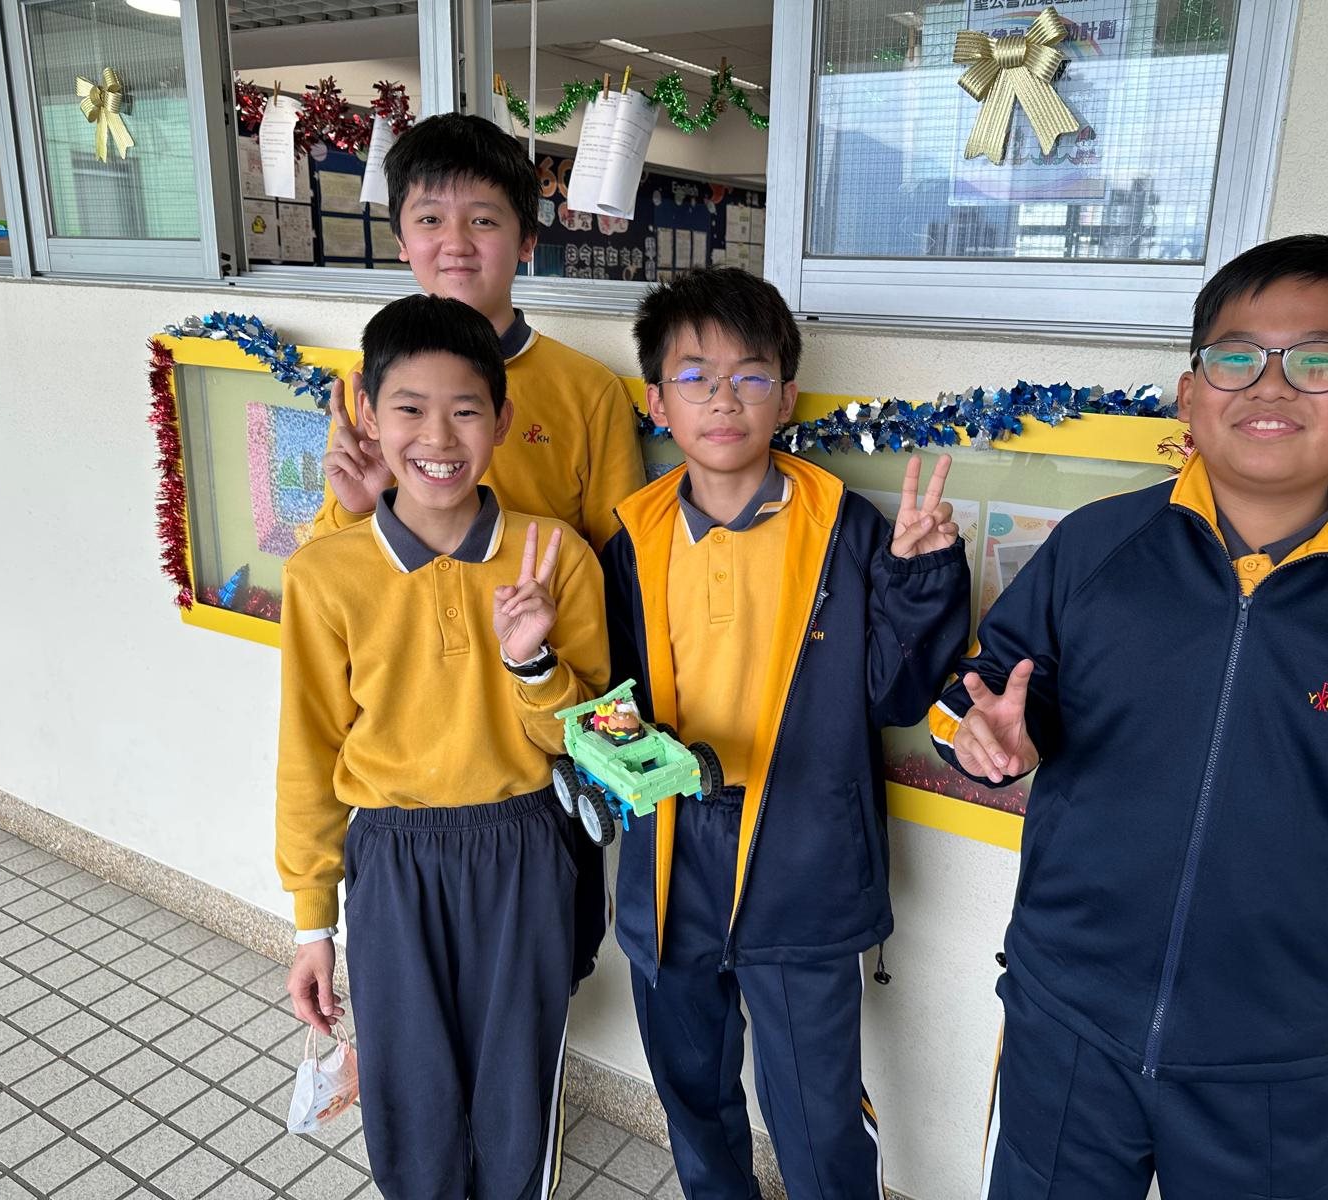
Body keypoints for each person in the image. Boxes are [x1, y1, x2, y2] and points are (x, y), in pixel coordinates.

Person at [933, 234, 1328, 1199]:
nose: (1270, 385)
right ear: (1190, 393)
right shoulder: (1098, 547)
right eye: (1236, 357)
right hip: (1068, 1016)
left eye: (1318, 359)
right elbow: (983, 689)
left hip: (1277, 1056)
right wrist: (982, 736)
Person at [602, 266, 972, 1198]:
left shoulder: (845, 527)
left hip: (804, 851)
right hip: (670, 857)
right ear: (658, 402)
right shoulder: (632, 536)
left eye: (751, 375)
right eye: (694, 377)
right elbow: (609, 702)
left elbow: (895, 694)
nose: (723, 399)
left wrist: (922, 578)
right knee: (691, 1089)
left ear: (788, 394)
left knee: (816, 1111)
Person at [277, 293, 606, 1199]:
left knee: (517, 1087)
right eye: (409, 409)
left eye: (465, 410)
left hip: (526, 843)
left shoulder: (555, 556)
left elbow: (588, 741)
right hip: (392, 856)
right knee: (407, 1086)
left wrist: (532, 662)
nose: (437, 437)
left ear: (501, 420)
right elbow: (307, 750)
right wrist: (312, 921)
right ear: (369, 417)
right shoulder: (326, 572)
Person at [313, 112, 644, 549]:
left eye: (483, 221)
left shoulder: (588, 391)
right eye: (430, 220)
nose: (456, 244)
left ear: (527, 241)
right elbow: (329, 562)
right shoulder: (374, 379)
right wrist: (356, 506)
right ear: (401, 241)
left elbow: (621, 557)